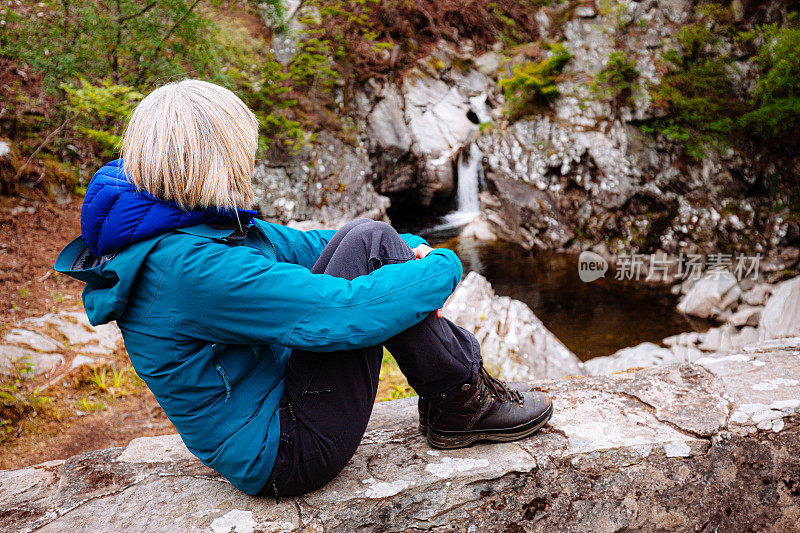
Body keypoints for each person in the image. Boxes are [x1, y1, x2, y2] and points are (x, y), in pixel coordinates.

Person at [55, 79, 552, 499]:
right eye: (242, 151)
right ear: (217, 161)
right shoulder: (189, 268)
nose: (248, 163)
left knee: (369, 237)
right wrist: (441, 265)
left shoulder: (180, 223)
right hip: (287, 452)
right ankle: (460, 401)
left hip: (275, 401)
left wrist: (410, 246)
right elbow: (345, 312)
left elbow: (307, 245)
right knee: (376, 264)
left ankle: (457, 397)